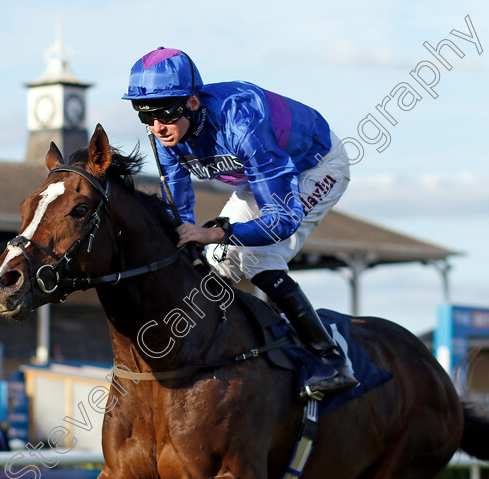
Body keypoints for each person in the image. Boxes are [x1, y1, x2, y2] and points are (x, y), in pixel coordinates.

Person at [123, 47, 357, 397]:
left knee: (259, 256)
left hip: (316, 165)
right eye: (146, 116)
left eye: (164, 115)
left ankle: (332, 359)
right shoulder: (165, 134)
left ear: (192, 103)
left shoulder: (241, 118)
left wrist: (216, 232)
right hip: (260, 175)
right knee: (217, 262)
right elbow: (179, 211)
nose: (157, 128)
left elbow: (281, 220)